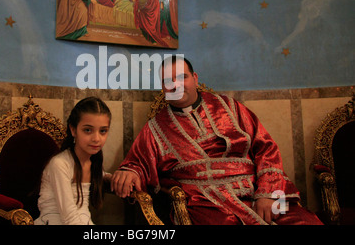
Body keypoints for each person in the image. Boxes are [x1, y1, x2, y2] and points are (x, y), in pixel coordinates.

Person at [112, 56, 323, 225]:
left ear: (195, 78)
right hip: (206, 204)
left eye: (182, 77)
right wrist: (130, 171)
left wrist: (267, 194)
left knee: (303, 221)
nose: (175, 84)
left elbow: (266, 148)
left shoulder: (231, 107)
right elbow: (138, 162)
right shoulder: (155, 127)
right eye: (168, 81)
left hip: (258, 189)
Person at [35, 97, 112, 225]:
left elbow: (103, 175)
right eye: (88, 130)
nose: (96, 138)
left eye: (103, 131)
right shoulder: (60, 164)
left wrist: (114, 178)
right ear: (73, 130)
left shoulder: (93, 162)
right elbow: (69, 218)